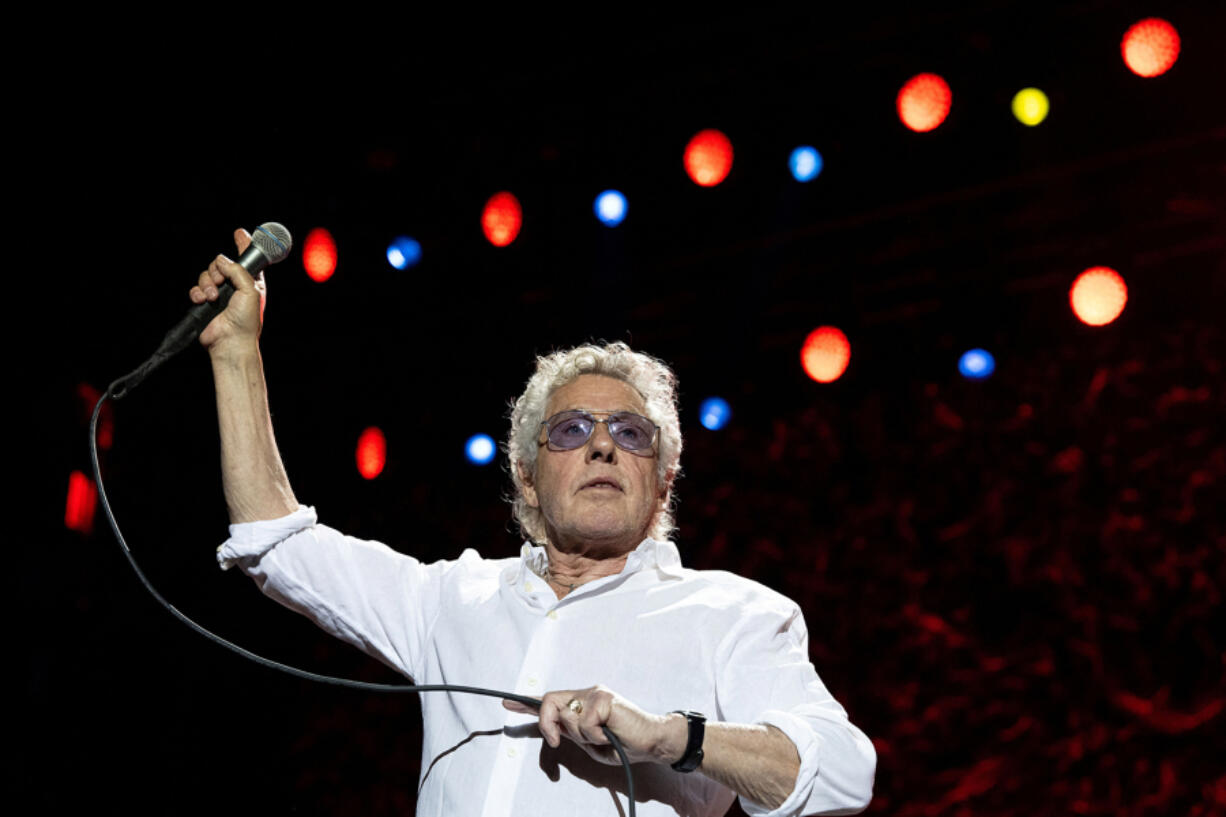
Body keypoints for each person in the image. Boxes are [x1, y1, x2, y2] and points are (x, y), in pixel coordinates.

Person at [192, 229, 877, 816]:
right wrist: (235, 353)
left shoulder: (733, 613)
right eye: (574, 429)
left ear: (663, 478)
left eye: (632, 433)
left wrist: (667, 735)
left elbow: (844, 774)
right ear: (527, 473)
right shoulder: (448, 600)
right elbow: (275, 542)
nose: (603, 445)